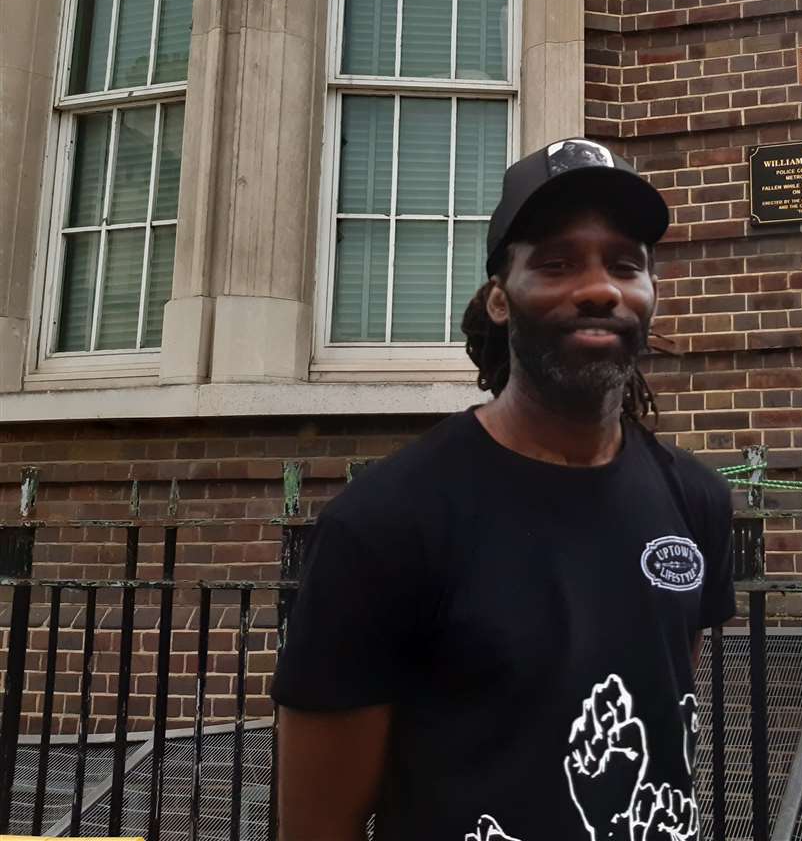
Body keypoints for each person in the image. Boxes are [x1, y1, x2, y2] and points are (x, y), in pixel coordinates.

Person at [273, 138, 736, 841]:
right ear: (499, 298)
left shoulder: (697, 501)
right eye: (555, 263)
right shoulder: (387, 523)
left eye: (625, 264)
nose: (600, 287)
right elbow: (318, 826)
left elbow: (663, 711)